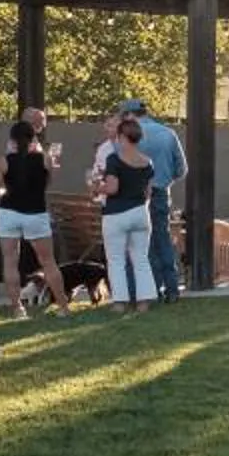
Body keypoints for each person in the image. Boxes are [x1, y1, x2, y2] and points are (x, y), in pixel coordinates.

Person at [0, 118, 67, 316]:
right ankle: (63, 306)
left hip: (9, 212)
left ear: (12, 140)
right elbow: (47, 183)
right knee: (48, 261)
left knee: (10, 261)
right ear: (34, 139)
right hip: (36, 213)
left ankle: (17, 308)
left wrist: (4, 191)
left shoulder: (2, 161)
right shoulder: (45, 159)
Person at [117, 101, 189, 304]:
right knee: (162, 238)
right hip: (160, 192)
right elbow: (182, 169)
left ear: (129, 115)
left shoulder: (127, 136)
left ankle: (147, 290)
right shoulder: (168, 134)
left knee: (139, 244)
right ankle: (172, 288)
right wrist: (165, 181)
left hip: (133, 194)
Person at [88, 113, 158, 314]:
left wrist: (96, 188)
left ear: (121, 137)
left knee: (116, 259)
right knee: (141, 259)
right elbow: (148, 192)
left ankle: (120, 302)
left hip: (116, 214)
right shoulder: (147, 162)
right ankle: (143, 302)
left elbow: (112, 188)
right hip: (140, 213)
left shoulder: (114, 159)